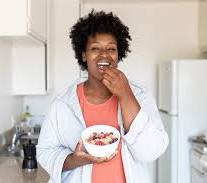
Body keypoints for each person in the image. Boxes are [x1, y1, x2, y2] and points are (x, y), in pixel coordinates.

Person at [37, 10, 169, 183]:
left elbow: (152, 150)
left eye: (111, 49)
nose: (104, 55)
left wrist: (125, 94)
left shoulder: (139, 95)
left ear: (118, 54)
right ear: (84, 54)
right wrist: (74, 160)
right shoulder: (63, 103)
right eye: (95, 48)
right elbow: (45, 152)